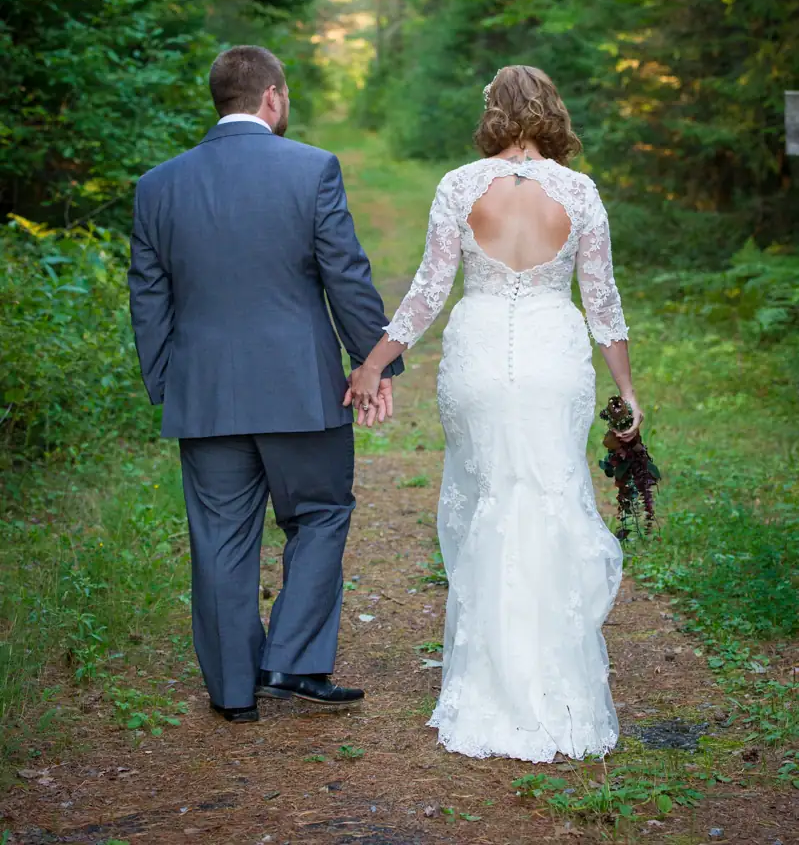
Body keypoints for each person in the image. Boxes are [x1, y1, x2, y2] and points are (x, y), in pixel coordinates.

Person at [348, 65, 641, 762]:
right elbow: (602, 305)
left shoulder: (458, 185)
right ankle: (553, 686)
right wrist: (626, 393)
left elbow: (426, 292)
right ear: (550, 113)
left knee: (487, 502)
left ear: (493, 114)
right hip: (552, 356)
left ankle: (488, 683)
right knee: (545, 499)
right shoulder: (579, 192)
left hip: (479, 358)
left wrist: (372, 362)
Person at [128, 46, 402, 723]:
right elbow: (345, 274)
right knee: (319, 515)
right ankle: (293, 662)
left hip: (204, 393)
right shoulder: (311, 168)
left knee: (220, 539)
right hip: (300, 391)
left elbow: (148, 297)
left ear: (219, 99)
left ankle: (232, 693)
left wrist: (168, 383)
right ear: (272, 97)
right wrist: (373, 363)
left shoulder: (157, 185)